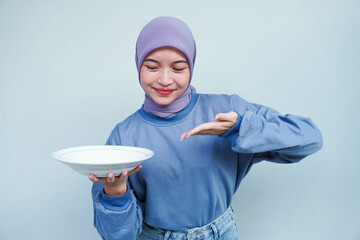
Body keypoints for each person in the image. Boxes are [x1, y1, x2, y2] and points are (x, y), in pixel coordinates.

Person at [89, 16, 323, 240]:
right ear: (138, 65)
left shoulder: (226, 111)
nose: (165, 79)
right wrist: (116, 194)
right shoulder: (123, 136)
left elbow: (310, 140)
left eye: (178, 68)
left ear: (191, 66)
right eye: (152, 67)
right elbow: (119, 236)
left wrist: (241, 128)